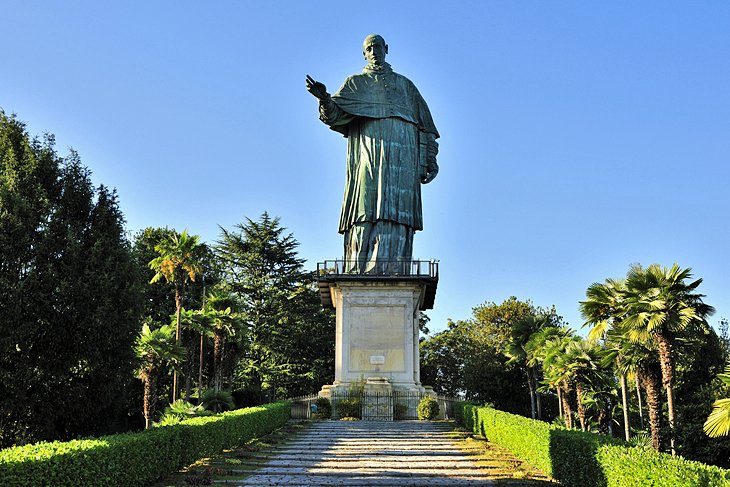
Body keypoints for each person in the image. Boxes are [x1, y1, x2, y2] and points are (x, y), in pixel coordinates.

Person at [306, 34, 439, 274]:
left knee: (398, 211)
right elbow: (334, 115)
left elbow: (427, 128)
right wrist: (324, 99)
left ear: (386, 48)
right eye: (369, 47)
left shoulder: (406, 86)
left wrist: (430, 159)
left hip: (404, 159)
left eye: (377, 46)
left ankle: (395, 266)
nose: (374, 50)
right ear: (364, 53)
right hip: (368, 156)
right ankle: (359, 264)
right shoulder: (355, 84)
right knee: (365, 206)